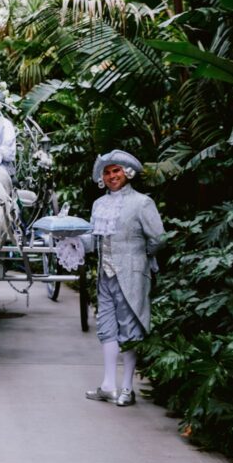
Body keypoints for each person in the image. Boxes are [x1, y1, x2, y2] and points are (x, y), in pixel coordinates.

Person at [84, 149, 165, 408]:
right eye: (107, 172)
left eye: (116, 171)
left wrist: (141, 256)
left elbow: (159, 238)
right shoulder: (99, 204)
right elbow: (95, 238)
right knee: (106, 326)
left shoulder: (141, 203)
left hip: (131, 275)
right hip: (105, 276)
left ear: (127, 173)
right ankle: (109, 385)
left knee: (129, 329)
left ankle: (128, 388)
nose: (112, 176)